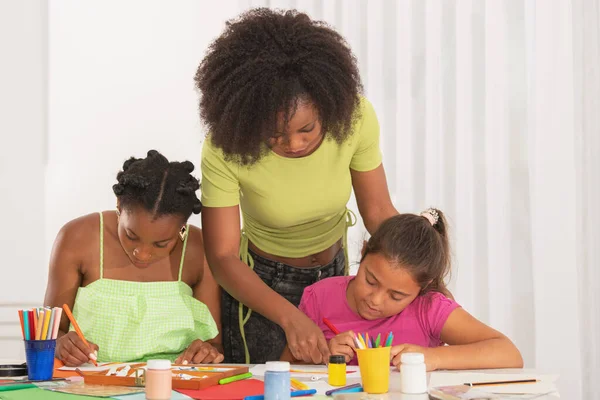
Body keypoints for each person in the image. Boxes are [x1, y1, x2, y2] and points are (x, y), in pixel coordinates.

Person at [196, 8, 398, 364]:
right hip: (261, 287)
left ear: (328, 105)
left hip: (336, 276)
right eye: (274, 134)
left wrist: (416, 267)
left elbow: (379, 212)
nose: (293, 144)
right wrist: (290, 318)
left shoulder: (355, 118)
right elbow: (223, 256)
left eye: (307, 129)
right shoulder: (226, 145)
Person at [44, 150, 223, 366]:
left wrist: (206, 352)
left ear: (182, 226)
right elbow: (49, 333)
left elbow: (214, 344)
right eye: (131, 235)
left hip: (174, 385)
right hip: (89, 383)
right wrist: (61, 343)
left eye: (161, 244)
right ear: (119, 205)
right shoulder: (77, 238)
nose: (142, 253)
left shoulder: (199, 248)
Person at [285, 209, 523, 370]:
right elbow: (282, 368)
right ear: (363, 252)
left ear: (422, 288)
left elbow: (510, 354)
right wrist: (325, 355)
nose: (375, 300)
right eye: (370, 280)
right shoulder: (320, 297)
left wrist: (433, 357)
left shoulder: (429, 309)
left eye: (396, 296)